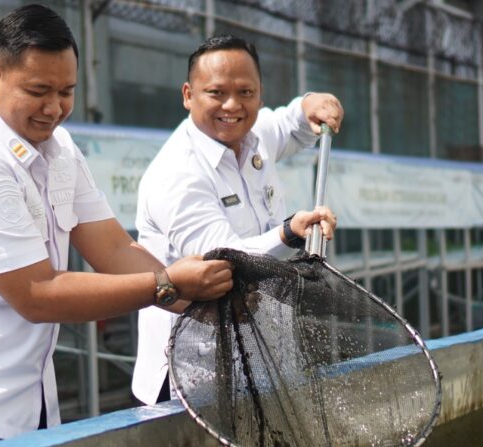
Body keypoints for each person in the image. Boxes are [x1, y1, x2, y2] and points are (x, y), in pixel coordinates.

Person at [0, 4, 232, 447]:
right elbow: (37, 293)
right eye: (38, 90)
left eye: (66, 91)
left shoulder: (58, 148)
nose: (54, 108)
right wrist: (167, 285)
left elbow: (114, 246)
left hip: (22, 397)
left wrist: (201, 301)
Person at [131, 35, 344, 405]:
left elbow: (291, 125)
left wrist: (310, 103)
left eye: (246, 92)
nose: (232, 105)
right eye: (216, 92)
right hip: (194, 375)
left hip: (265, 360)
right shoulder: (175, 174)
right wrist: (289, 232)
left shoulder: (254, 135)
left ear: (260, 95)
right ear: (188, 95)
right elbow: (225, 261)